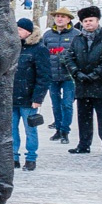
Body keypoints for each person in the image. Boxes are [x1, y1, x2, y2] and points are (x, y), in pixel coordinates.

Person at [64, 6, 102, 154]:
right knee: (83, 116)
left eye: (91, 20)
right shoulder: (78, 39)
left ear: (97, 21)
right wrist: (76, 73)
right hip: (82, 84)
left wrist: (96, 74)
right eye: (85, 21)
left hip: (100, 84)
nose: (88, 23)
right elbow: (69, 57)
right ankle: (84, 144)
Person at [12, 18, 51, 171]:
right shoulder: (13, 47)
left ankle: (31, 158)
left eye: (20, 30)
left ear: (28, 32)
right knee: (11, 129)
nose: (17, 32)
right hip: (12, 97)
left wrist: (38, 98)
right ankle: (13, 157)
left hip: (29, 98)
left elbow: (44, 76)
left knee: (30, 130)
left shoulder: (39, 49)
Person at [39, 8, 76, 143]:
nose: (60, 19)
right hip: (52, 75)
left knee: (67, 104)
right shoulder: (48, 35)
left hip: (69, 76)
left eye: (63, 17)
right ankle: (58, 129)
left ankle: (65, 131)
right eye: (58, 16)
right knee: (55, 104)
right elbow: (42, 54)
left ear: (69, 19)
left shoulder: (76, 35)